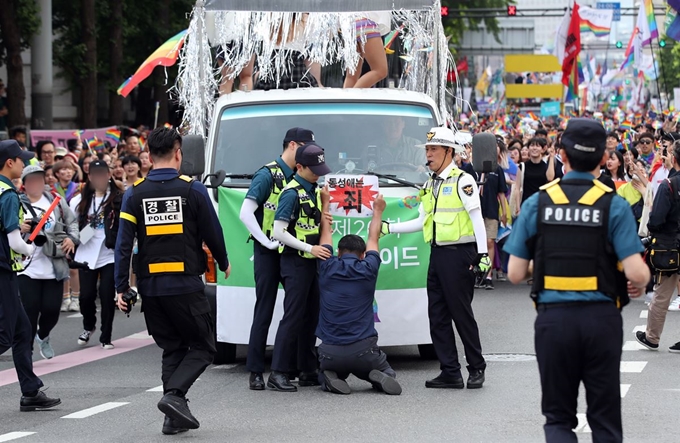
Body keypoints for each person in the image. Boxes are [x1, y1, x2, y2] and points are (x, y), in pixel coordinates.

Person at [503, 118, 650, 443]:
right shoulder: (613, 204)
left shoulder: (537, 202)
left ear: (562, 156)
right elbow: (638, 274)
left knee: (558, 420)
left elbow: (514, 272)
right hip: (601, 322)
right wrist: (635, 281)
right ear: (602, 159)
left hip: (554, 323)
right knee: (605, 421)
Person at [115, 127, 230, 435]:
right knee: (204, 347)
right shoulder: (192, 190)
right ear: (179, 154)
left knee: (172, 348)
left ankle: (172, 418)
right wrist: (223, 260)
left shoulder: (134, 193)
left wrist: (120, 286)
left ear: (149, 157)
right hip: (185, 284)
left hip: (151, 287)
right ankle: (174, 396)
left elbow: (123, 244)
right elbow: (212, 231)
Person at [382, 127, 489, 389]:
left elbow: (477, 217)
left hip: (460, 254)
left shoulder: (462, 180)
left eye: (433, 150)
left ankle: (476, 368)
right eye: (427, 150)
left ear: (449, 152)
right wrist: (390, 228)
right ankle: (450, 371)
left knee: (461, 314)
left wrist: (483, 254)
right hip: (437, 254)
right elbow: (421, 220)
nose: (428, 154)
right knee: (437, 316)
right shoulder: (430, 183)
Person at [239, 127, 312, 390]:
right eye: (305, 146)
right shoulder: (267, 174)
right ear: (292, 145)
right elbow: (246, 213)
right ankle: (256, 371)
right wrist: (265, 241)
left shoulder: (302, 174)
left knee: (298, 310)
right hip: (269, 251)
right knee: (265, 309)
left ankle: (299, 367)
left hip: (292, 252)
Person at [315, 189, 401, 395]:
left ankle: (329, 376)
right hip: (364, 351)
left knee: (323, 371)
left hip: (330, 351)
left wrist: (325, 203)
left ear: (337, 252)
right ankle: (379, 375)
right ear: (363, 255)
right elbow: (373, 237)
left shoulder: (327, 266)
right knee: (387, 370)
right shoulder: (368, 268)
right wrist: (378, 211)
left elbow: (325, 233)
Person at [0, 140, 62, 411]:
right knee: (5, 334)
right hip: (3, 272)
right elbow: (14, 242)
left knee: (23, 330)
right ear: (9, 163)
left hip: (4, 271)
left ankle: (30, 390)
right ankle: (30, 390)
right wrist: (29, 249)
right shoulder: (9, 194)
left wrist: (20, 226)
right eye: (21, 160)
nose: (25, 164)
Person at [268, 143, 332, 392]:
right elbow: (278, 232)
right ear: (299, 167)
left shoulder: (314, 190)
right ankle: (278, 372)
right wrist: (310, 249)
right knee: (293, 317)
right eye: (313, 168)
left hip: (311, 262)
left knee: (311, 316)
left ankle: (308, 369)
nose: (318, 172)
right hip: (295, 262)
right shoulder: (291, 193)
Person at [18, 165, 79, 359]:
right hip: (26, 268)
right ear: (24, 184)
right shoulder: (16, 203)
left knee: (52, 310)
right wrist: (20, 227)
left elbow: (73, 223)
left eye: (39, 179)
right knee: (30, 311)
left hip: (54, 266)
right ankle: (26, 352)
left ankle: (43, 335)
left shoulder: (55, 202)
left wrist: (72, 239)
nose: (35, 183)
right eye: (31, 180)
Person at [70, 160, 123, 349]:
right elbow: (72, 229)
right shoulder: (78, 201)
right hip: (85, 254)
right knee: (86, 296)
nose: (100, 178)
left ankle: (106, 336)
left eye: (103, 174)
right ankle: (88, 326)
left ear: (109, 175)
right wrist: (74, 240)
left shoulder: (118, 199)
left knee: (107, 295)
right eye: (96, 175)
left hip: (109, 254)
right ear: (90, 177)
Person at [635, 140, 680, 352]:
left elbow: (656, 220)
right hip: (671, 243)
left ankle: (652, 337)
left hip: (669, 245)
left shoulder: (668, 185)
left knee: (662, 294)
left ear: (675, 159)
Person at [477, 137, 508, 290]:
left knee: (490, 242)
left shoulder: (498, 170)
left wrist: (504, 212)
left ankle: (488, 275)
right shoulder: (473, 167)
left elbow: (502, 193)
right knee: (477, 244)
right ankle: (477, 273)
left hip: (491, 210)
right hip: (475, 212)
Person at [344, 12, 391, 89]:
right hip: (367, 23)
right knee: (380, 70)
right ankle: (353, 97)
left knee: (352, 75)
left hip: (351, 23)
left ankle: (345, 100)